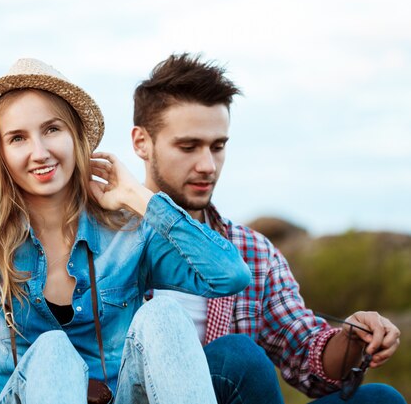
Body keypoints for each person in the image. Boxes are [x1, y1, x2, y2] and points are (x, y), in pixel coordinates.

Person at [0, 58, 251, 404]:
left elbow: (229, 275)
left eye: (52, 129)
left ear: (76, 138)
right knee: (53, 351)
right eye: (17, 137)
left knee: (163, 314)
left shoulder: (129, 235)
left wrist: (140, 198)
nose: (40, 152)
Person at [130, 53, 405, 404]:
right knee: (238, 356)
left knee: (380, 399)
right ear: (141, 142)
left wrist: (352, 338)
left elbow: (306, 356)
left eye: (218, 146)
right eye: (188, 147)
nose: (207, 165)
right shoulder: (104, 242)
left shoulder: (251, 250)